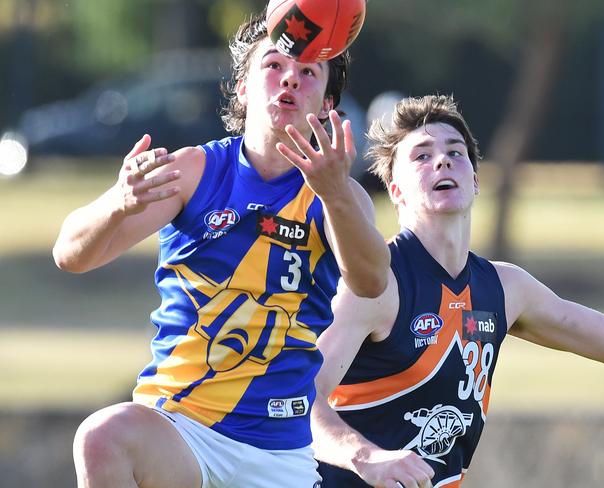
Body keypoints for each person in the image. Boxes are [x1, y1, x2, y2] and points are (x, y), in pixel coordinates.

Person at [52, 10, 390, 488]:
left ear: (327, 104)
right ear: (243, 88)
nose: (290, 78)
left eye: (309, 72)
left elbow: (372, 280)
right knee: (102, 437)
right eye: (273, 65)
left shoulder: (340, 197)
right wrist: (117, 203)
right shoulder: (194, 171)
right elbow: (69, 253)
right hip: (180, 427)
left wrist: (335, 191)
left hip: (277, 452)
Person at [311, 94, 604, 488]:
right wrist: (366, 456)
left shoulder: (506, 289)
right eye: (421, 156)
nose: (442, 160)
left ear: (474, 180)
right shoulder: (377, 284)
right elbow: (299, 397)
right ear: (396, 190)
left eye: (456, 151)